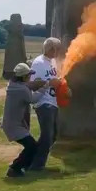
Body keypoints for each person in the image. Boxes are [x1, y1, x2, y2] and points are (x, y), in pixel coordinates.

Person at [1, 62, 58, 177]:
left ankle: (22, 166)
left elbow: (29, 86)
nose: (29, 77)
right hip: (14, 126)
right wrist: (46, 86)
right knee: (32, 146)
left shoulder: (14, 85)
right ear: (23, 77)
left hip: (13, 124)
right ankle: (14, 168)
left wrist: (41, 84)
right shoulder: (21, 90)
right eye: (28, 75)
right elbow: (33, 99)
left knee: (31, 147)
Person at [28, 37, 65, 172]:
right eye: (56, 49)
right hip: (43, 102)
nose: (58, 52)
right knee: (47, 135)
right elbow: (33, 83)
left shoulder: (53, 62)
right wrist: (49, 83)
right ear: (50, 49)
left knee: (53, 134)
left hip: (53, 102)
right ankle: (37, 165)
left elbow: (57, 79)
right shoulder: (38, 63)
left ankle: (32, 159)